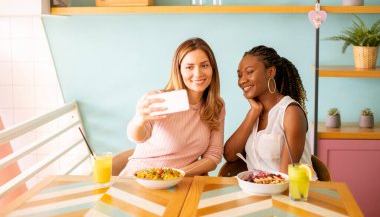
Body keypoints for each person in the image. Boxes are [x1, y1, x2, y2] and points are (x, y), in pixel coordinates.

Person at [122, 37, 225, 176]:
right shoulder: (161, 99)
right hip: (141, 178)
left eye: (204, 65)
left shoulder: (216, 106)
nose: (198, 73)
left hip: (179, 182)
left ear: (213, 69)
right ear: (179, 71)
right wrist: (139, 119)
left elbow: (213, 156)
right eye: (189, 67)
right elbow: (138, 137)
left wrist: (174, 175)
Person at [224, 45, 315, 178]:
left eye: (249, 72)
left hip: (294, 194)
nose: (242, 80)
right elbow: (230, 155)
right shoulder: (256, 113)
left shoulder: (290, 113)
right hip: (260, 191)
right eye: (240, 75)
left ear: (270, 72)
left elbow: (285, 177)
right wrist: (253, 112)